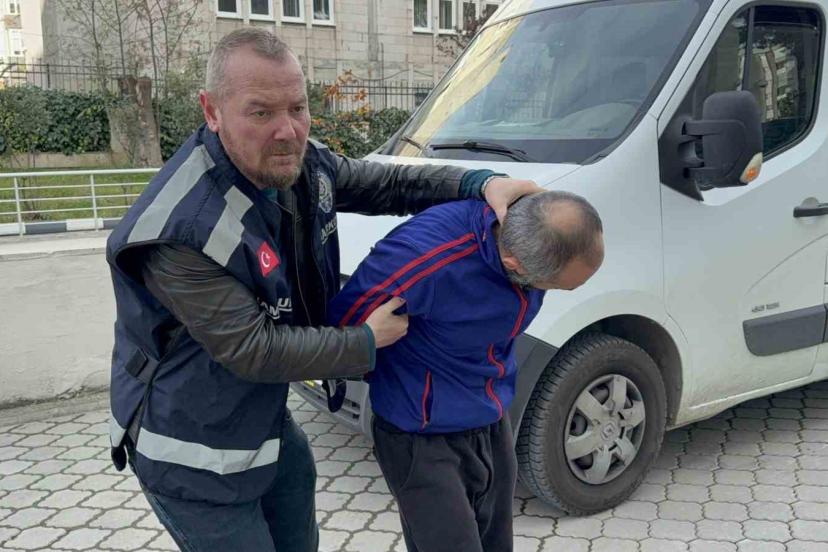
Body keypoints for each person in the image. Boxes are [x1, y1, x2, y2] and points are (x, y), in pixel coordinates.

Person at [104, 27, 542, 552]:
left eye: (298, 107)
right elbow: (254, 349)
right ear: (212, 111)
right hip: (190, 449)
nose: (287, 131)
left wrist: (480, 184)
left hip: (258, 418)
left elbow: (387, 184)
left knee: (299, 510)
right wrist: (365, 340)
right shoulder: (180, 230)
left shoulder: (302, 165)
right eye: (261, 112)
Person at [328, 191, 604, 552]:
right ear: (515, 264)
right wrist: (371, 347)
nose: (564, 292)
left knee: (496, 543)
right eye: (560, 287)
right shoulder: (422, 259)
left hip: (490, 418)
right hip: (422, 436)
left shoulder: (527, 235)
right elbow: (340, 332)